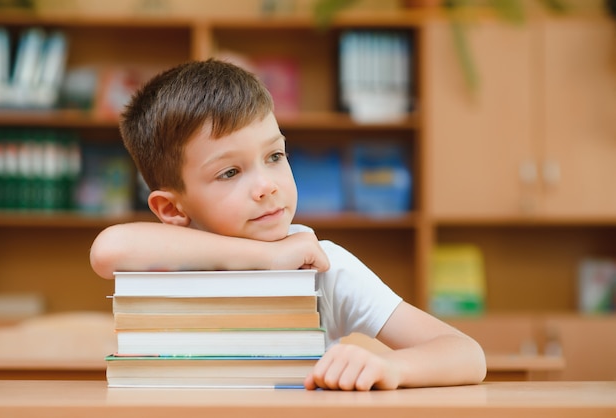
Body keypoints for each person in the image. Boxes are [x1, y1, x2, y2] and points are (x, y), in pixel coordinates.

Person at [89, 59, 487, 391]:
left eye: (275, 156)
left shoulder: (323, 265)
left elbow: (465, 353)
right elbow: (108, 251)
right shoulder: (171, 257)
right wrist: (266, 256)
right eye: (230, 172)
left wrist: (393, 368)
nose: (266, 186)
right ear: (173, 210)